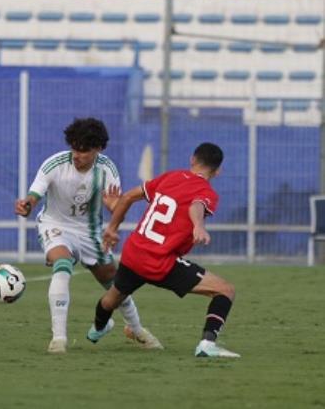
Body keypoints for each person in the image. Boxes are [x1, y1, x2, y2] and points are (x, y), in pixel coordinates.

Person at [16, 117, 161, 354]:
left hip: (90, 232)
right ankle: (59, 339)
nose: (77, 154)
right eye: (74, 147)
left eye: (83, 150)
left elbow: (117, 207)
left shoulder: (107, 169)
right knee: (62, 264)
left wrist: (115, 207)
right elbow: (34, 194)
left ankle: (136, 328)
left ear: (98, 149)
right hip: (55, 225)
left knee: (116, 285)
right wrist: (27, 204)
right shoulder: (55, 164)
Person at [88, 142, 240, 358]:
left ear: (192, 160)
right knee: (225, 290)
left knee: (112, 298)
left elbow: (128, 197)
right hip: (160, 261)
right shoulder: (207, 192)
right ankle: (207, 344)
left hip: (134, 252)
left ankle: (98, 328)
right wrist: (198, 225)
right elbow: (196, 205)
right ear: (218, 171)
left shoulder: (170, 177)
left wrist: (112, 227)